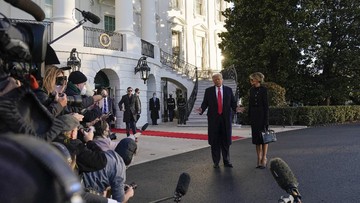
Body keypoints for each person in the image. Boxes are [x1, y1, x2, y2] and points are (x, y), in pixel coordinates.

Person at [197, 73, 243, 168]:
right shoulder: (208, 91)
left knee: (225, 140)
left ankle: (226, 161)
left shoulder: (228, 90)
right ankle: (216, 162)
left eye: (218, 79)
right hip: (214, 120)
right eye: (215, 80)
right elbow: (205, 103)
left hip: (225, 119)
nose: (217, 81)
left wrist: (236, 109)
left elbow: (233, 103)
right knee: (215, 141)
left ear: (222, 80)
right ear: (213, 81)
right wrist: (201, 109)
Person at [82, 138, 137, 203]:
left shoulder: (107, 153)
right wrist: (129, 194)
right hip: (86, 193)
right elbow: (118, 201)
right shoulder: (120, 170)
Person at [248, 72, 269, 169]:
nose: (251, 81)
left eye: (252, 79)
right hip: (254, 115)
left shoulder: (264, 90)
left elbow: (266, 106)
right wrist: (249, 116)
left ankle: (264, 157)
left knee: (264, 138)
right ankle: (258, 158)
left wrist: (266, 119)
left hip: (262, 115)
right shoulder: (251, 90)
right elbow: (250, 104)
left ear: (258, 80)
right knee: (256, 139)